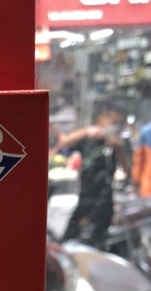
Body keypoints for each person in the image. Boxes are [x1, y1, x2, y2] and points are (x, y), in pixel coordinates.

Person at [53, 104, 129, 244]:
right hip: (86, 197)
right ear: (101, 121)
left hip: (104, 201)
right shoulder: (89, 140)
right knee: (68, 240)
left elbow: (127, 169)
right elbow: (63, 143)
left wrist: (119, 148)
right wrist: (86, 131)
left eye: (118, 123)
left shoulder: (118, 144)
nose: (115, 127)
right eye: (113, 122)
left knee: (97, 242)